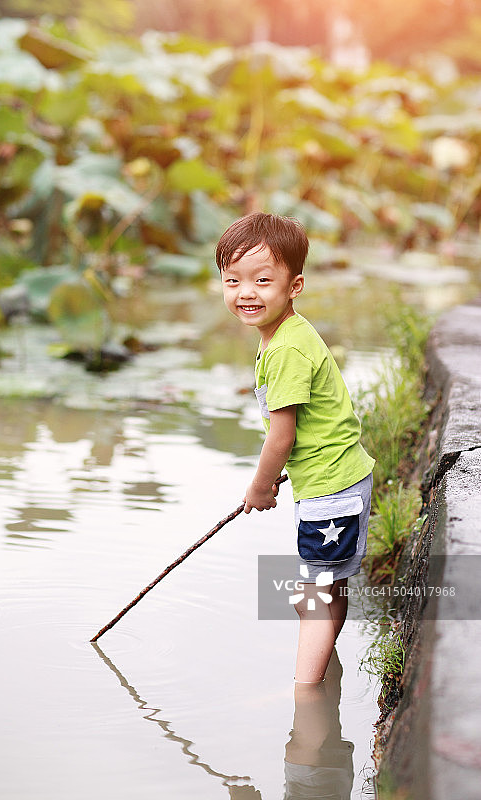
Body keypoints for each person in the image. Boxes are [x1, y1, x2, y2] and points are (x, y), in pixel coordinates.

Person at [216, 212, 374, 684]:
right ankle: (325, 672)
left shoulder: (286, 349)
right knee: (327, 584)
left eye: (263, 280)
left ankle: (305, 698)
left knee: (312, 599)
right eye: (233, 280)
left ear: (294, 285)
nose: (246, 292)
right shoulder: (287, 335)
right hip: (338, 481)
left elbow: (281, 436)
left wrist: (259, 487)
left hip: (330, 491)